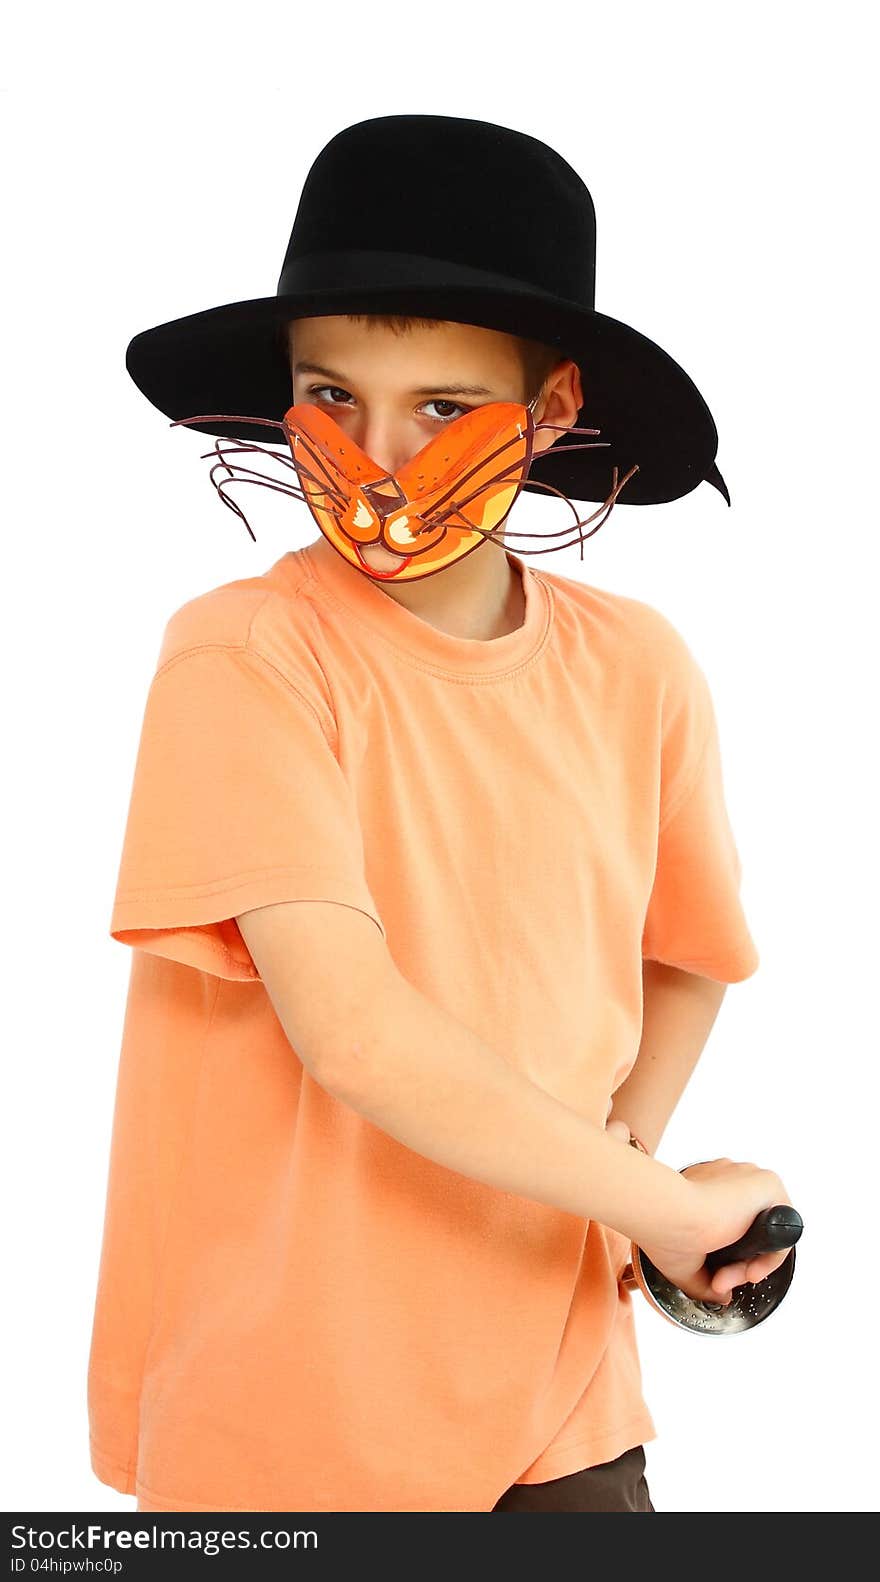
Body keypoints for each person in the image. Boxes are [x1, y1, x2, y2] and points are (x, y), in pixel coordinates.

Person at [87, 114, 792, 1514]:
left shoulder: (637, 664)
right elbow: (353, 1029)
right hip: (292, 1409)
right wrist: (663, 1207)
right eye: (330, 396)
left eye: (439, 405)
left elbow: (687, 951)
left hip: (559, 1391)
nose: (376, 459)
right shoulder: (246, 655)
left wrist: (627, 1182)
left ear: (548, 410)